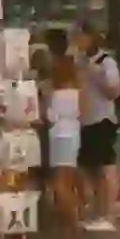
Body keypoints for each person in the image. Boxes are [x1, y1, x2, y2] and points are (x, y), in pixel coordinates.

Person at [76, 24, 120, 231]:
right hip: (85, 120)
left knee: (106, 167)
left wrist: (98, 76)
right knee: (91, 169)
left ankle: (109, 213)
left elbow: (114, 91)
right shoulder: (81, 61)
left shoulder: (107, 62)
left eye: (81, 37)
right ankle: (99, 211)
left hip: (102, 120)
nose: (78, 41)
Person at [44, 29, 82, 228]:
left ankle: (73, 217)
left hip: (59, 135)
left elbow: (49, 116)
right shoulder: (77, 92)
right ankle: (72, 216)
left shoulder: (56, 95)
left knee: (58, 182)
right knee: (67, 178)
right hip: (73, 134)